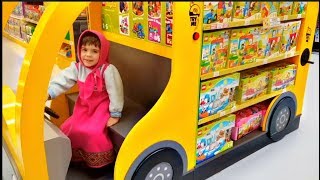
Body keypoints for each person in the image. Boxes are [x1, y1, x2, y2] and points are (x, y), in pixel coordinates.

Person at [47, 30, 124, 168]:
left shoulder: (107, 70)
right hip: (83, 107)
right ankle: (77, 157)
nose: (88, 55)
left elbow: (116, 92)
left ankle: (99, 162)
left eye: (94, 51)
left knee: (93, 132)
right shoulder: (78, 68)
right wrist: (49, 92)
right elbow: (62, 80)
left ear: (103, 52)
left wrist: (115, 114)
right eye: (84, 50)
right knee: (69, 128)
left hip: (101, 107)